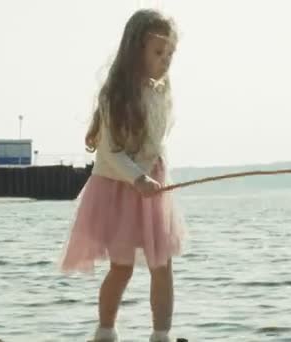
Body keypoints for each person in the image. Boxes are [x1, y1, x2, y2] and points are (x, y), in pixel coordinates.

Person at [59, 8, 186, 342]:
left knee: (163, 264)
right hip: (118, 186)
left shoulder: (162, 88)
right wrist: (138, 178)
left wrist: (156, 173)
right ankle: (105, 331)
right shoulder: (115, 94)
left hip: (153, 184)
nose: (166, 59)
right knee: (122, 266)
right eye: (159, 52)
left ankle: (162, 335)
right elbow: (110, 153)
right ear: (136, 49)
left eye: (170, 52)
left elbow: (156, 140)